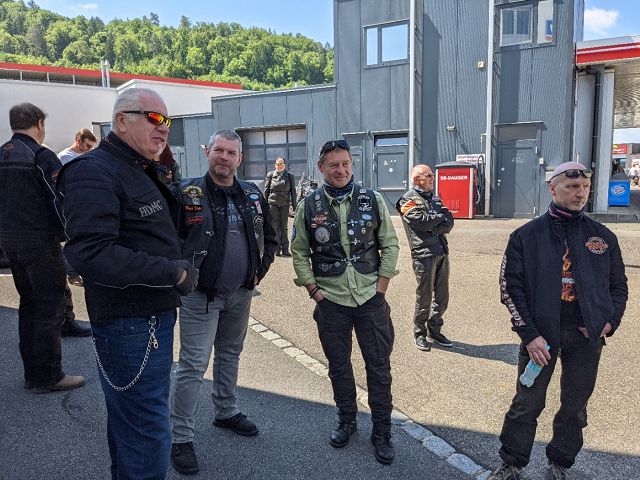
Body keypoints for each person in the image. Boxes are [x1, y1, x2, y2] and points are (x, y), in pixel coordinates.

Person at [58, 88, 198, 480]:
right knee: (147, 430)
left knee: (132, 424)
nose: (164, 128)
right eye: (154, 118)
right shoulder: (93, 171)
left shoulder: (137, 167)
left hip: (146, 319)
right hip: (131, 323)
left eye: (167, 121)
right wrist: (174, 273)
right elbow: (92, 253)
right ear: (122, 121)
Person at [489, 162, 628, 480]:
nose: (581, 193)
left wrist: (609, 322)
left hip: (586, 337)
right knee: (527, 403)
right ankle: (511, 463)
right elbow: (510, 288)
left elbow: (618, 286)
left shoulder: (602, 237)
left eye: (585, 188)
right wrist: (530, 335)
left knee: (575, 406)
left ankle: (560, 463)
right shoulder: (526, 236)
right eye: (572, 187)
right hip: (541, 337)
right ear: (553, 189)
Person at [169, 129, 277, 475]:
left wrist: (259, 271)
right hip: (200, 296)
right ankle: (180, 437)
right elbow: (168, 240)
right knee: (192, 365)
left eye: (231, 153)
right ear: (207, 152)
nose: (224, 158)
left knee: (230, 354)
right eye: (219, 150)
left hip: (241, 293)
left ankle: (226, 411)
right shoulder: (187, 192)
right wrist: (181, 276)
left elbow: (270, 236)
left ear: (240, 159)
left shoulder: (251, 193)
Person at [291, 139, 399, 464]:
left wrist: (381, 288)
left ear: (352, 164)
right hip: (331, 302)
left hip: (370, 299)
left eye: (346, 163)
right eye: (334, 165)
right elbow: (299, 252)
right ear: (321, 167)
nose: (341, 170)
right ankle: (347, 420)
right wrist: (315, 292)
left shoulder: (372, 199)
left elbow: (390, 244)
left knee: (379, 368)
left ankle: (382, 431)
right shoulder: (308, 205)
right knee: (338, 366)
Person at [0, 103, 85, 394]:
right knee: (50, 307)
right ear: (39, 123)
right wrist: (73, 236)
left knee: (29, 305)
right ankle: (49, 376)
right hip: (40, 242)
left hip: (11, 243)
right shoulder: (40, 156)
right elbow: (59, 199)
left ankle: (32, 375)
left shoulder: (2, 153)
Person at [396, 164, 454, 351]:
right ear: (416, 179)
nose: (432, 179)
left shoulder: (435, 198)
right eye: (428, 176)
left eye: (432, 176)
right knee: (425, 297)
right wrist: (438, 219)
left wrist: (434, 223)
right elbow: (420, 222)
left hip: (441, 251)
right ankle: (419, 333)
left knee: (442, 297)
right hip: (423, 254)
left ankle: (434, 330)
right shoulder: (406, 199)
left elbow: (449, 221)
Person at [264, 156, 296, 256]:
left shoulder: (290, 176)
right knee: (274, 226)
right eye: (278, 164)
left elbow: (293, 192)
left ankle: (285, 249)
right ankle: (276, 249)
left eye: (281, 163)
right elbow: (266, 190)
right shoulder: (270, 175)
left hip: (285, 204)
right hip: (272, 203)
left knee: (284, 227)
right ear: (275, 165)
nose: (279, 165)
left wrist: (294, 206)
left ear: (284, 165)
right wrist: (264, 205)